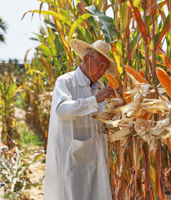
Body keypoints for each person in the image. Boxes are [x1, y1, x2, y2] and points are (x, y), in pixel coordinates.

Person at [43, 39, 117, 200]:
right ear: (86, 60)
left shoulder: (100, 86)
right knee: (73, 192)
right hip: (72, 154)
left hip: (95, 153)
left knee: (96, 192)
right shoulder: (65, 82)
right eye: (100, 66)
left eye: (105, 68)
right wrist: (94, 100)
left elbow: (105, 116)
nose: (102, 72)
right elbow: (62, 110)